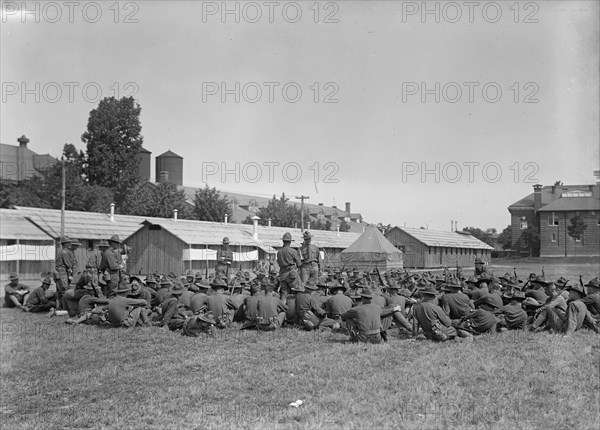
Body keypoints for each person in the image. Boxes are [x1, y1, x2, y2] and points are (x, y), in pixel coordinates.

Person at [276, 232, 302, 300]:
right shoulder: (293, 251)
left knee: (284, 293)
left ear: (283, 241)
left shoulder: (279, 252)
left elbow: (278, 263)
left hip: (282, 273)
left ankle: (282, 307)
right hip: (291, 273)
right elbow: (299, 264)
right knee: (297, 290)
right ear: (290, 242)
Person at [54, 236, 74, 307]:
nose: (70, 243)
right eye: (68, 242)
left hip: (58, 271)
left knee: (59, 290)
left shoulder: (60, 251)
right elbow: (68, 264)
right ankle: (65, 307)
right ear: (65, 244)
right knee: (64, 290)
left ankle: (59, 306)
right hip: (62, 272)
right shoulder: (65, 252)